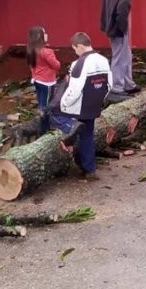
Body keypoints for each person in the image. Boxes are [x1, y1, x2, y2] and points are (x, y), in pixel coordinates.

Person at [46, 32, 112, 179]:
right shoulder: (103, 60)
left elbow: (75, 90)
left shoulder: (79, 64)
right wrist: (99, 99)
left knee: (52, 113)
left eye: (75, 49)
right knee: (87, 136)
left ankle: (71, 126)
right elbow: (109, 84)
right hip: (94, 105)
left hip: (78, 107)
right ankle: (89, 169)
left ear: (80, 46)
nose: (75, 52)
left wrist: (63, 104)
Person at [100, 0, 140, 97]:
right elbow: (121, 17)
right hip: (118, 32)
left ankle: (129, 84)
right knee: (118, 59)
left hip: (110, 28)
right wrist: (122, 32)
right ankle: (117, 86)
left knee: (127, 56)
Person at [25, 26, 60, 133]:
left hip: (37, 80)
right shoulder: (46, 51)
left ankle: (41, 126)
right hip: (47, 83)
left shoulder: (31, 49)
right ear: (40, 36)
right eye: (45, 33)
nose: (47, 34)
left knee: (41, 103)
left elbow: (31, 66)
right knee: (47, 106)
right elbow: (57, 65)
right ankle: (45, 129)